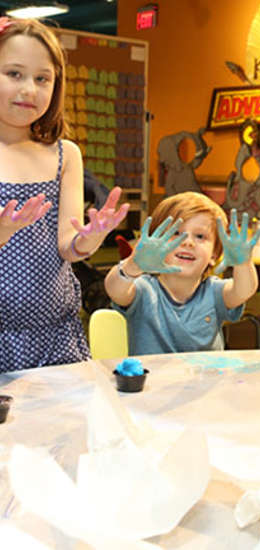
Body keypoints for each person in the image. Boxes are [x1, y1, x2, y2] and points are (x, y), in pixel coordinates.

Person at [0, 18, 128, 371]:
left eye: (42, 78)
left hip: (56, 334)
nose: (29, 89)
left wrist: (91, 237)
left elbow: (68, 248)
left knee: (62, 424)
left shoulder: (64, 154)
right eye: (14, 74)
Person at [104, 192, 260, 355]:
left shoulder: (214, 292)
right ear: (156, 244)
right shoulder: (144, 290)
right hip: (154, 380)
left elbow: (244, 291)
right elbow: (114, 289)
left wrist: (243, 263)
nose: (188, 242)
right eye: (176, 234)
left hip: (204, 379)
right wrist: (133, 265)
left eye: (200, 236)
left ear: (214, 254)